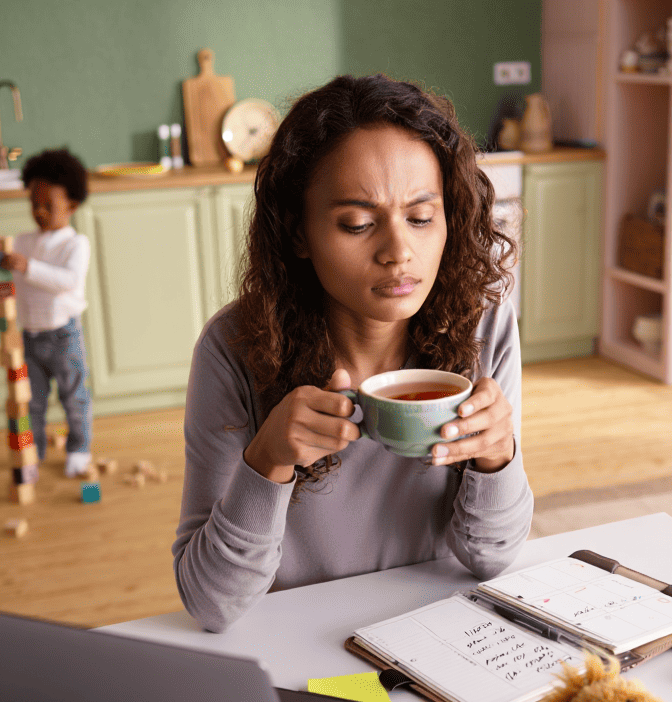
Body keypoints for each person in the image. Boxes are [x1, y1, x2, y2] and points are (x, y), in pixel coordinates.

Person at [173, 75, 534, 632]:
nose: (398, 252)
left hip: (440, 638)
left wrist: (497, 456)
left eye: (420, 217)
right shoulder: (233, 348)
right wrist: (267, 461)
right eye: (357, 224)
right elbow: (210, 603)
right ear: (298, 231)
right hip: (298, 649)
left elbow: (493, 556)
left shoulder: (483, 324)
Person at [0, 148, 93, 478]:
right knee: (31, 403)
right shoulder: (24, 241)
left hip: (63, 335)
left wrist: (28, 267)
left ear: (72, 205)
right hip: (28, 338)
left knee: (74, 399)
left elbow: (68, 281)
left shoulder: (75, 244)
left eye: (49, 205)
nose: (40, 211)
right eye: (34, 204)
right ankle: (32, 455)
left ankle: (79, 449)